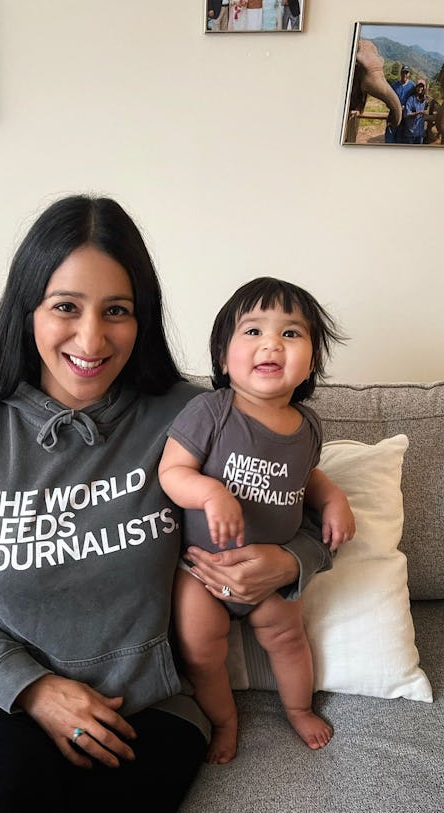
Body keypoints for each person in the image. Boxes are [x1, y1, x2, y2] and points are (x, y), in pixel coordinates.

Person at [0, 196, 333, 813]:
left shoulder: (197, 418)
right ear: (26, 311)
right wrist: (33, 689)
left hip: (150, 703)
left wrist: (289, 562)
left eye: (118, 310)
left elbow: (298, 503)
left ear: (144, 317)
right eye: (66, 305)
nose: (91, 337)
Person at [159, 277, 355, 764]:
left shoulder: (307, 425)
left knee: (289, 639)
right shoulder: (210, 411)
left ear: (311, 361)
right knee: (201, 647)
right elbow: (171, 472)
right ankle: (225, 721)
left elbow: (308, 476)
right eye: (253, 332)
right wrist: (210, 492)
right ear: (224, 358)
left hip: (270, 577)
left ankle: (298, 707)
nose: (271, 343)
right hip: (199, 570)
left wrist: (333, 500)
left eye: (291, 334)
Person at [385, 65, 416, 143]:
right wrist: (396, 107)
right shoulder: (394, 85)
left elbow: (414, 100)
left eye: (406, 73)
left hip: (406, 117)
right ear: (400, 73)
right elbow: (388, 99)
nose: (404, 74)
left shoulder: (412, 86)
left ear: (409, 74)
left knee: (401, 139)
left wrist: (407, 107)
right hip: (393, 115)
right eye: (403, 72)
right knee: (390, 138)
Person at [403, 79, 429, 144]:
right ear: (416, 87)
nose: (420, 88)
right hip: (411, 132)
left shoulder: (425, 100)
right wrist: (419, 113)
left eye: (422, 87)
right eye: (418, 86)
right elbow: (407, 114)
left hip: (420, 133)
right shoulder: (411, 99)